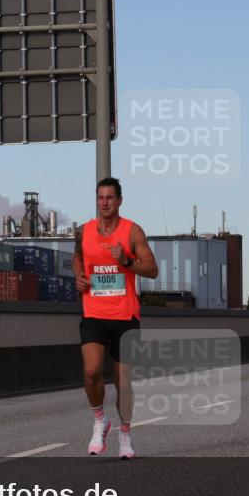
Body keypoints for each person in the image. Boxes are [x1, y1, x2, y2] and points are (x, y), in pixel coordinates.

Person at [73, 177, 158, 459]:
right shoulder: (83, 232)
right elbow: (77, 258)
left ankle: (125, 434)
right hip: (94, 313)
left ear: (119, 200)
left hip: (125, 316)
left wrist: (125, 261)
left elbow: (152, 269)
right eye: (101, 198)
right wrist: (79, 277)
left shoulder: (132, 231)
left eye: (110, 197)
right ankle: (100, 421)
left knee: (123, 382)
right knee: (91, 372)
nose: (105, 203)